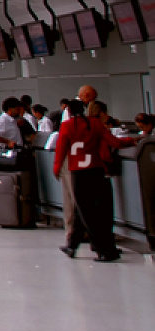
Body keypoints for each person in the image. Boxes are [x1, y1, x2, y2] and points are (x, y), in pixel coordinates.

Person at [53, 100, 121, 261]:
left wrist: (57, 168)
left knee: (86, 212)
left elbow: (61, 149)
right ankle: (72, 245)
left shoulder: (68, 126)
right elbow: (114, 142)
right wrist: (131, 141)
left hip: (79, 172)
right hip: (96, 170)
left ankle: (103, 249)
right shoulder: (94, 123)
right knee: (82, 210)